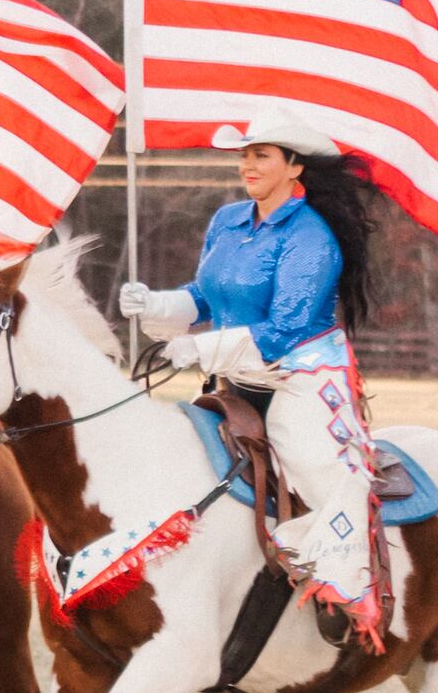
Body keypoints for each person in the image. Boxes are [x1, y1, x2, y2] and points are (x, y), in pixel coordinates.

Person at [123, 110, 389, 647]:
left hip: (299, 375)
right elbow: (205, 295)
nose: (247, 164)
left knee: (318, 466)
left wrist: (196, 346)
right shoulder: (228, 220)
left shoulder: (313, 235)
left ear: (295, 168)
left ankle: (347, 586)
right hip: (235, 372)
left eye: (261, 155)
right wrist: (160, 303)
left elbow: (288, 328)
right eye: (245, 154)